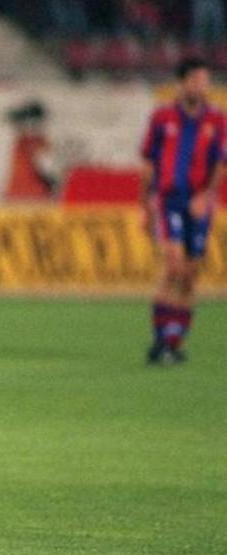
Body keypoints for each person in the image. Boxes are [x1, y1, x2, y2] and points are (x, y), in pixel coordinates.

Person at [140, 56, 223, 365]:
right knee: (173, 266)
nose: (202, 86)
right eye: (197, 80)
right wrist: (143, 204)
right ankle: (160, 342)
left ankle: (174, 343)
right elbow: (149, 162)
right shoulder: (162, 118)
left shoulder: (216, 120)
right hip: (170, 199)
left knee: (189, 276)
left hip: (199, 203)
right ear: (183, 82)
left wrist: (206, 195)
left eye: (206, 81)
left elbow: (219, 163)